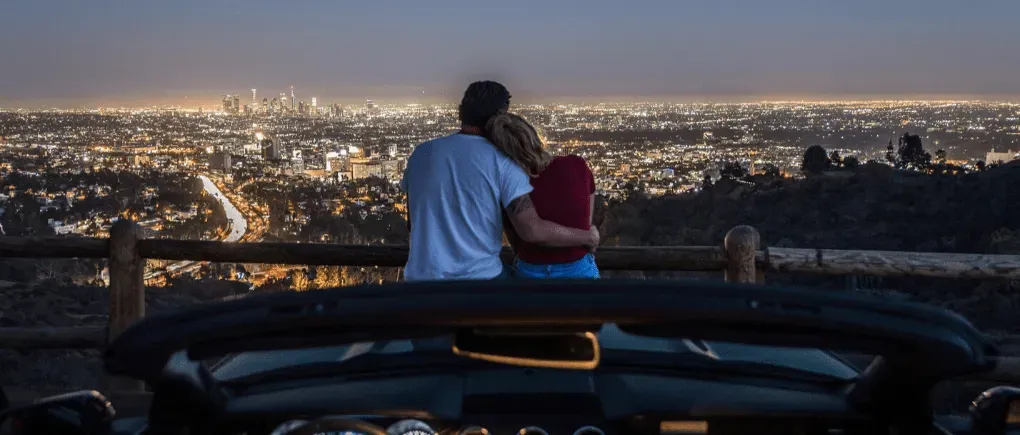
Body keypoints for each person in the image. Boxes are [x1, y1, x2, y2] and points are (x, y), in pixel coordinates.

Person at [400, 81, 599, 281]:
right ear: (502, 117)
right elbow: (531, 229)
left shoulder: (421, 154)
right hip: (481, 281)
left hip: (420, 281)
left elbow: (413, 222)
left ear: (460, 112)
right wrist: (588, 237)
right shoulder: (501, 161)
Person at [487, 113, 600, 279]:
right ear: (533, 135)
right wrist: (588, 238)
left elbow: (517, 235)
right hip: (579, 267)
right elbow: (585, 220)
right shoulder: (577, 165)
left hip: (531, 269)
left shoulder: (510, 182)